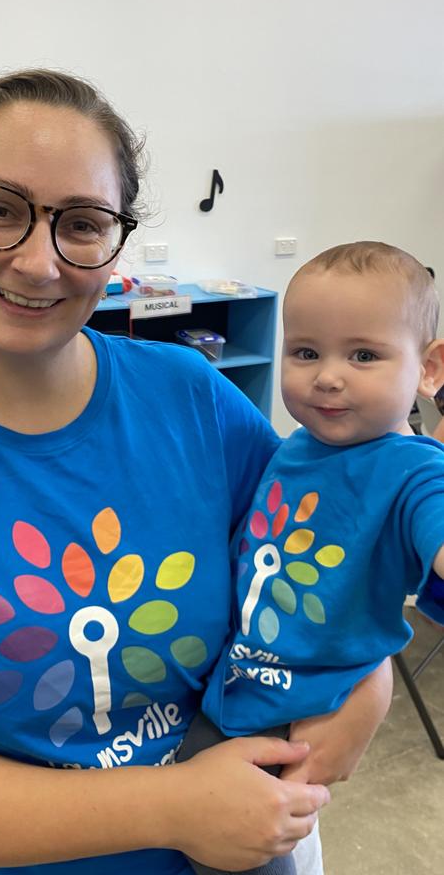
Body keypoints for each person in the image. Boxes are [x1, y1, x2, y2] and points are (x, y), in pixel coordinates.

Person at [0, 73, 390, 875]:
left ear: (115, 242)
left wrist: (370, 679)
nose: (38, 263)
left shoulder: (194, 399)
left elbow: (320, 567)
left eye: (81, 223)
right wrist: (175, 806)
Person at [179, 241, 444, 875]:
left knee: (244, 853)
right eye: (305, 352)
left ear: (430, 369)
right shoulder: (295, 448)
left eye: (363, 355)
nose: (328, 375)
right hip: (236, 691)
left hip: (302, 718)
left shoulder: (412, 470)